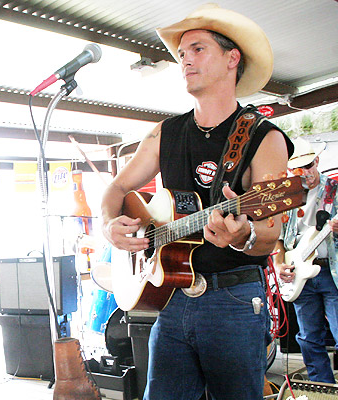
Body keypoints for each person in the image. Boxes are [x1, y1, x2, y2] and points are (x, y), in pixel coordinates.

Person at [101, 5, 293, 399]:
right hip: (171, 301)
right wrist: (109, 225)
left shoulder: (265, 138)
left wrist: (241, 237)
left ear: (231, 59)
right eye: (183, 53)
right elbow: (116, 189)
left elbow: (270, 234)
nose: (186, 59)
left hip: (234, 301)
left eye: (198, 49)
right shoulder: (164, 133)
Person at [275, 137, 338, 388]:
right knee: (309, 339)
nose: (305, 172)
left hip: (335, 274)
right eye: (298, 168)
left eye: (308, 165)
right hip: (301, 275)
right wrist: (279, 264)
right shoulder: (288, 196)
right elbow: (278, 238)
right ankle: (323, 390)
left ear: (317, 161)